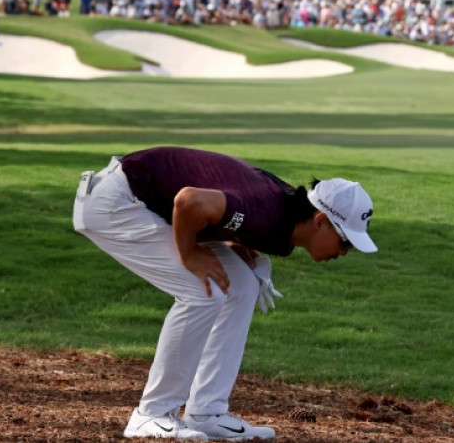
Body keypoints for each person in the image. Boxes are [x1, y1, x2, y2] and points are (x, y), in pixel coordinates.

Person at [72, 146, 377, 440]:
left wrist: (237, 242)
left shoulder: (283, 212)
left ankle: (207, 412)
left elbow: (226, 202)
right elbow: (189, 201)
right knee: (202, 292)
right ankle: (152, 413)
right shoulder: (266, 210)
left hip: (142, 201)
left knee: (242, 286)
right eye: (345, 241)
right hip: (116, 204)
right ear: (321, 221)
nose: (345, 251)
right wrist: (190, 253)